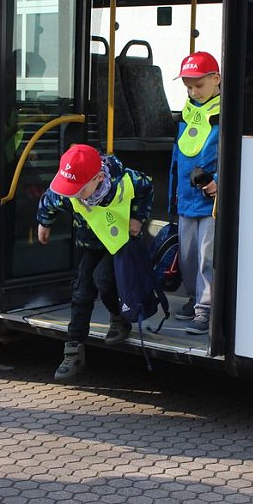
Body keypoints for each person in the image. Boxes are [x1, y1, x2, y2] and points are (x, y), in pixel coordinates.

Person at [36, 144, 153, 380]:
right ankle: (73, 350)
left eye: (78, 189)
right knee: (81, 292)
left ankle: (118, 317)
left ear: (99, 178)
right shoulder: (69, 189)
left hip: (119, 242)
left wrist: (138, 218)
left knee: (103, 279)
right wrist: (44, 223)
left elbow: (147, 187)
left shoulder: (126, 179)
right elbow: (50, 201)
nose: (72, 194)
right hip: (89, 245)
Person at [169, 51, 220, 334]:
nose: (193, 91)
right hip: (185, 199)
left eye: (198, 85)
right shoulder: (187, 113)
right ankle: (193, 298)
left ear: (216, 79)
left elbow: (233, 155)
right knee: (188, 257)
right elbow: (176, 159)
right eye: (188, 86)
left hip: (209, 201)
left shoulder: (224, 114)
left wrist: (218, 184)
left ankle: (205, 307)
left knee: (206, 257)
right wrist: (172, 197)